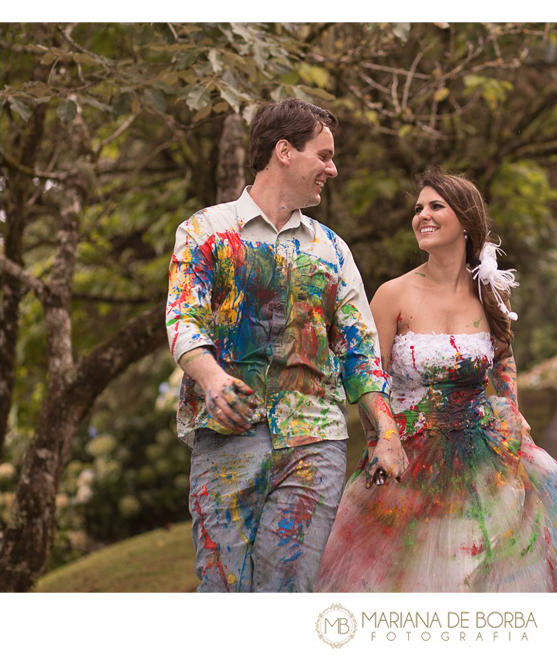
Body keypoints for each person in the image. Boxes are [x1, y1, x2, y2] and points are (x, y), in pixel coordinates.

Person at [315, 169, 557, 592]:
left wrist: (513, 409)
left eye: (435, 206)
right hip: (409, 459)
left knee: (489, 569)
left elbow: (503, 358)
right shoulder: (393, 294)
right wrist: (378, 440)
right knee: (414, 583)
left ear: (465, 219)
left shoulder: (489, 292)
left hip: (485, 453)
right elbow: (368, 375)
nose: (422, 215)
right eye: (418, 208)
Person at [166, 98, 408, 593]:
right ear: (283, 151)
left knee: (289, 594)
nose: (332, 169)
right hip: (227, 440)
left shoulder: (332, 249)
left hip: (314, 443)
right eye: (323, 155)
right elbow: (183, 320)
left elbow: (361, 352)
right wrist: (212, 379)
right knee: (224, 591)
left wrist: (386, 430)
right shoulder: (205, 232)